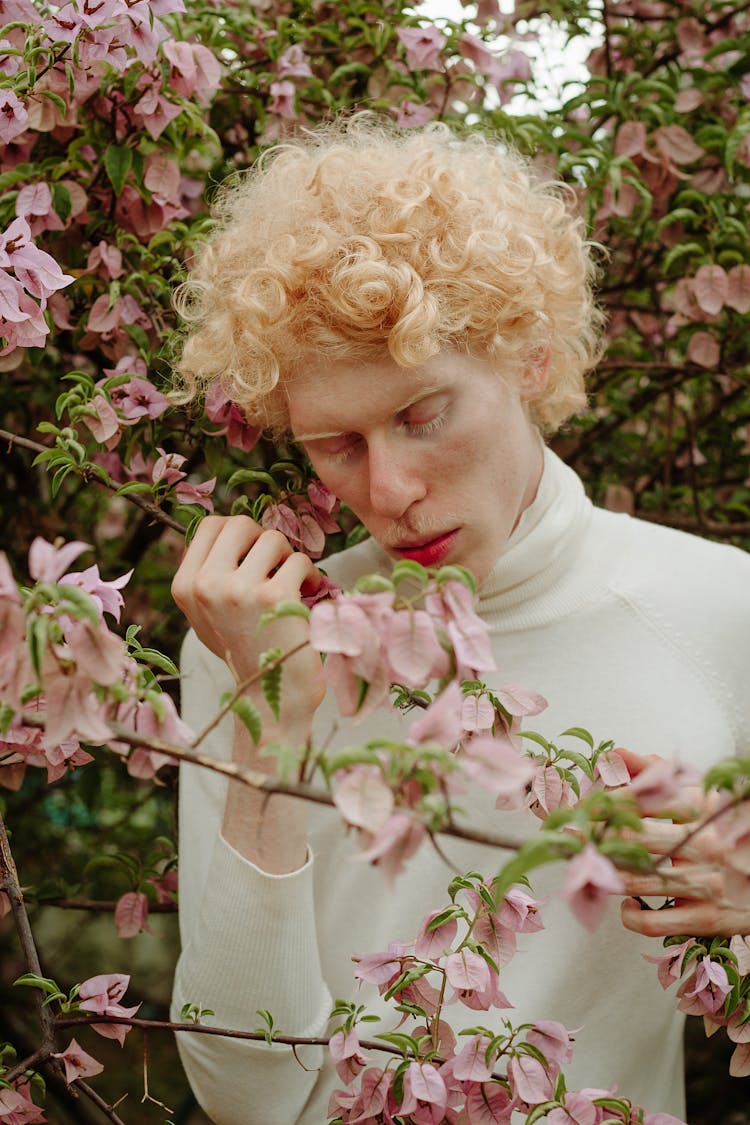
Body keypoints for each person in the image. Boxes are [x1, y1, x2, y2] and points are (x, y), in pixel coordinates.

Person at [169, 117, 750, 1125]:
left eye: (424, 414)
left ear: (527, 358)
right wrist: (272, 726)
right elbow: (244, 1093)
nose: (389, 489)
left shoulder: (716, 609)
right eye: (336, 445)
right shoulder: (261, 638)